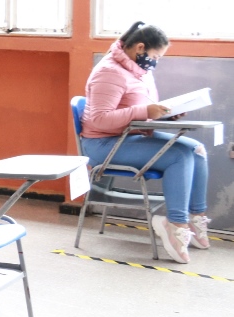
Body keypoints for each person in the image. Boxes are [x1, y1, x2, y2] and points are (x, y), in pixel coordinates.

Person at [81, 21, 209, 264]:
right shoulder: (109, 72)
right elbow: (99, 120)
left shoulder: (140, 72)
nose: (156, 62)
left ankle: (196, 215)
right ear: (140, 47)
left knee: (196, 149)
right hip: (103, 145)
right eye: (155, 56)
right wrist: (144, 110)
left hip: (130, 136)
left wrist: (165, 113)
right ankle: (175, 223)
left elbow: (140, 111)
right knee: (179, 156)